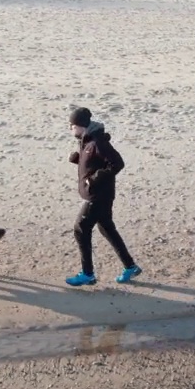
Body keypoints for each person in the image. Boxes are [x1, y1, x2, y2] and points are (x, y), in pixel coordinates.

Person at [64, 106, 142, 286]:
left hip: (98, 196)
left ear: (80, 125)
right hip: (101, 194)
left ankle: (87, 274)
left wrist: (94, 180)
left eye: (72, 125)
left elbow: (117, 163)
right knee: (106, 229)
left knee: (81, 228)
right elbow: (95, 162)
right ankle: (130, 266)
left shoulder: (97, 141)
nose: (70, 129)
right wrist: (77, 159)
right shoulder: (87, 141)